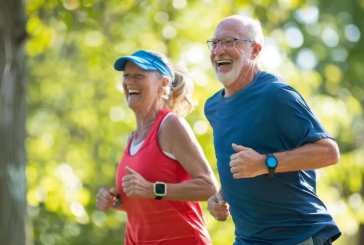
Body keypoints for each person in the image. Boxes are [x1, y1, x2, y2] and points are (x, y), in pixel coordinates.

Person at [204, 15, 341, 245]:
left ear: (255, 50)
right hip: (247, 239)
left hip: (296, 236)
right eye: (215, 43)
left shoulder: (277, 95)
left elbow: (329, 152)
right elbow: (240, 164)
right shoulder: (213, 107)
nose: (218, 51)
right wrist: (222, 195)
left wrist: (265, 163)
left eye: (229, 42)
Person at [96, 50, 219, 245]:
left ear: (163, 85)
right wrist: (115, 201)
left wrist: (154, 189)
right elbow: (147, 203)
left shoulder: (170, 125)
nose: (129, 81)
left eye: (139, 76)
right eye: (126, 76)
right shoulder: (133, 138)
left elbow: (210, 187)